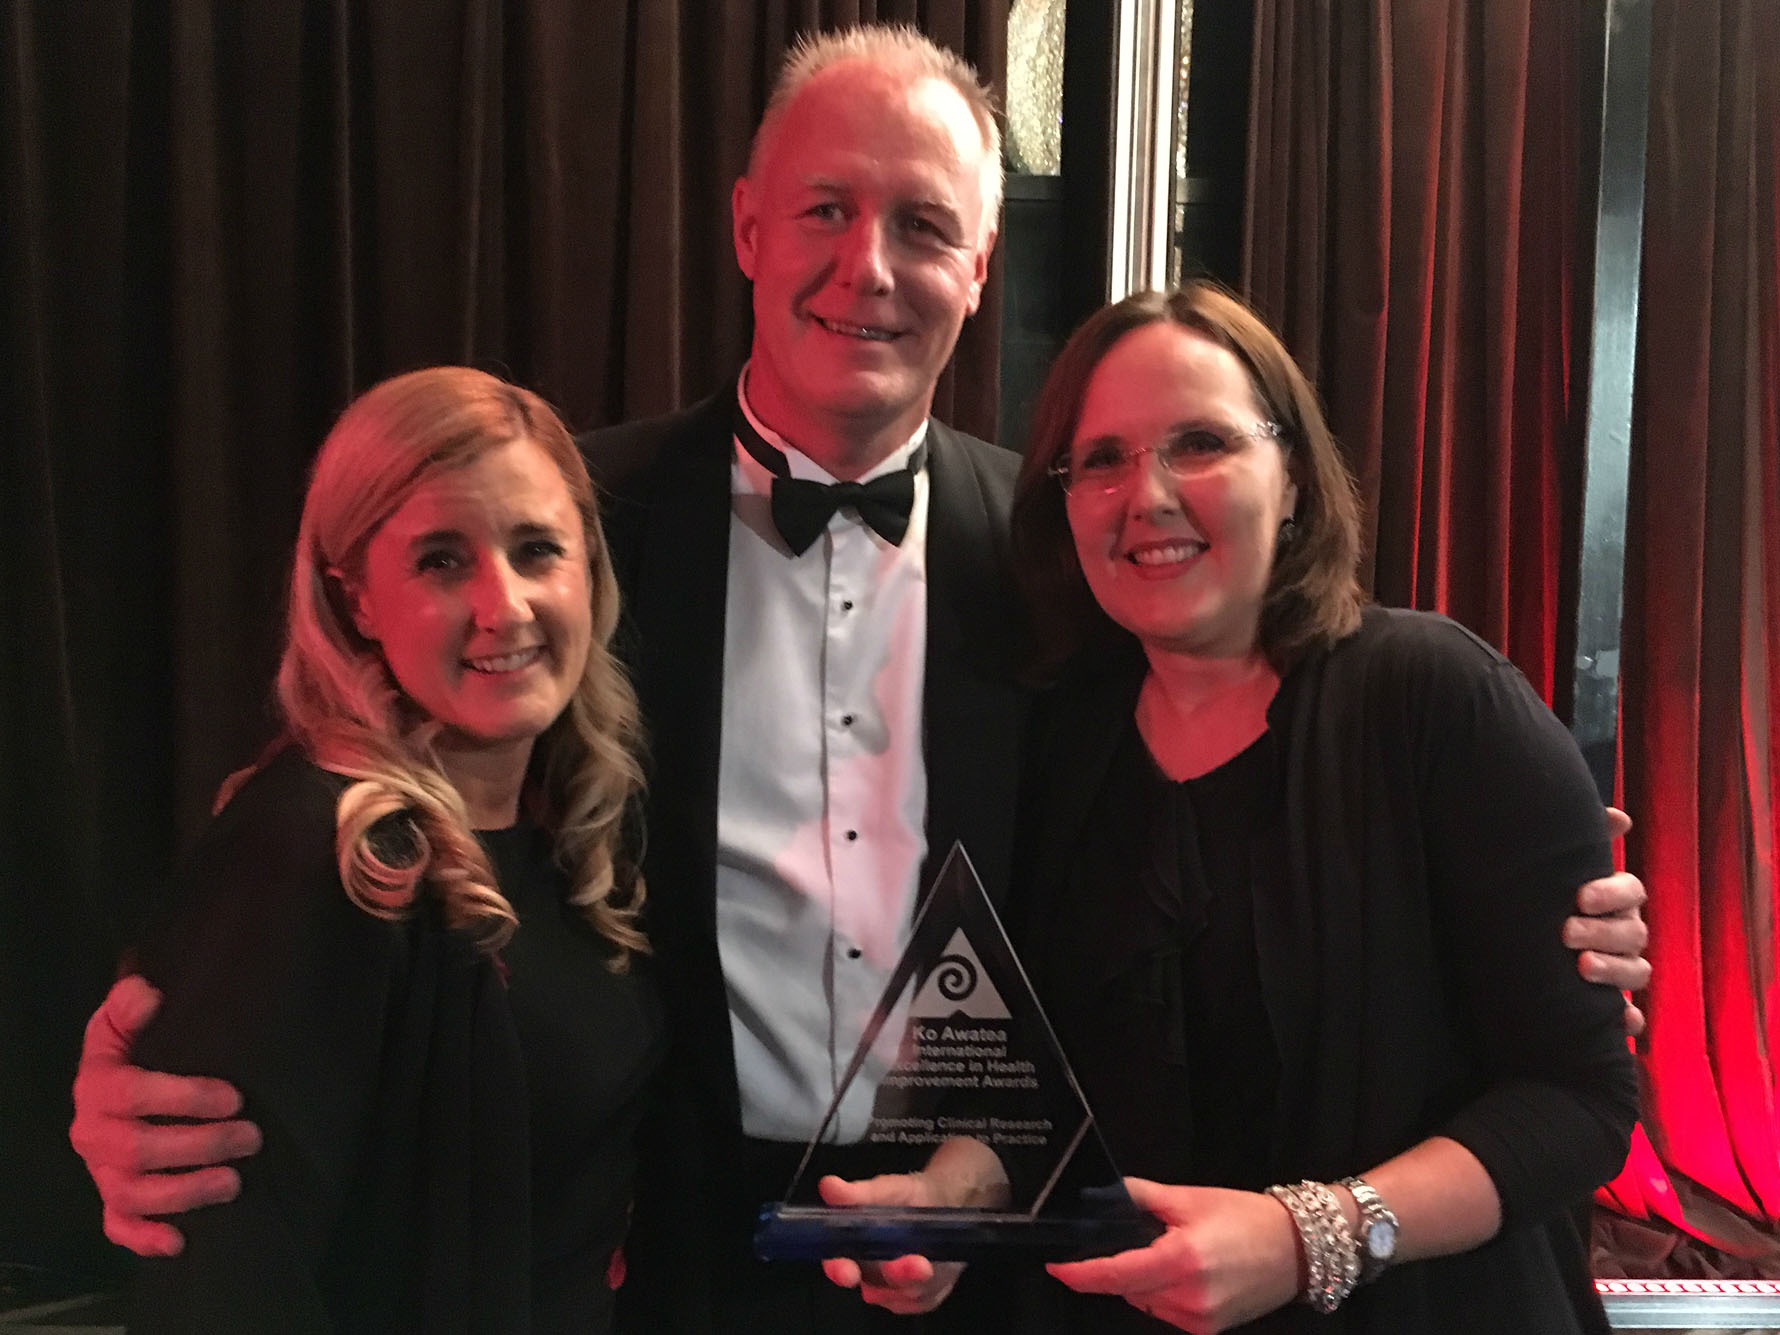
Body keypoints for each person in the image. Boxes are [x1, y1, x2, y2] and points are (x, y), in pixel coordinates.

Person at [68, 26, 1651, 1335]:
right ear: (749, 226)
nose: (865, 266)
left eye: (921, 225)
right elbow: (358, 774)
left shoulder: (1066, 564)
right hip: (666, 1251)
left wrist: (1546, 903)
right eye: (824, 210)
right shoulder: (567, 536)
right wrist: (158, 1043)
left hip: (1007, 1254)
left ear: (977, 268)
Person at [833, 282, 1642, 1333]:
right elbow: (1044, 1079)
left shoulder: (1434, 698)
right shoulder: (1060, 736)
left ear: (1294, 476)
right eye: (1104, 459)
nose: (1148, 495)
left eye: (1200, 443)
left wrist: (1314, 1236)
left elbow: (1579, 1102)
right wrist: (952, 1202)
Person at [117, 367, 661, 1332]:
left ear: (589, 565)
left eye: (537, 549)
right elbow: (228, 1284)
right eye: (442, 561)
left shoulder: (571, 827)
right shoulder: (313, 851)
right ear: (356, 597)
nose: (505, 607)